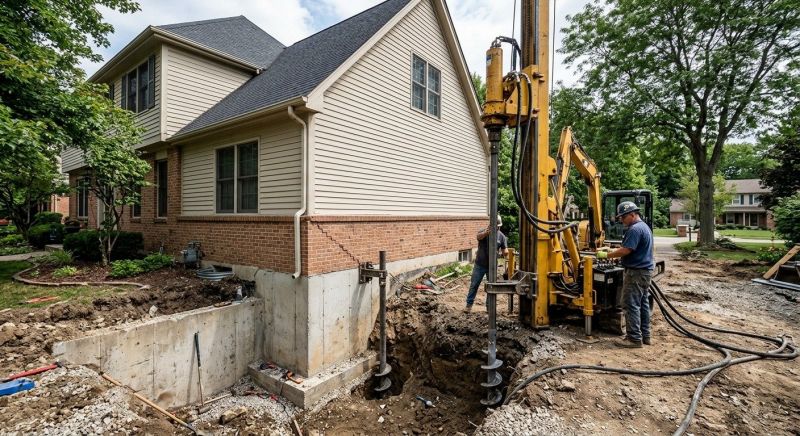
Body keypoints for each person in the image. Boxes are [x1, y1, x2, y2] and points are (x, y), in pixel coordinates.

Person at [597, 201, 654, 348]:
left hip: (636, 272)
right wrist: (613, 250)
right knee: (642, 304)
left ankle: (634, 339)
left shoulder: (634, 229)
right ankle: (645, 335)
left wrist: (606, 255)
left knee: (630, 304)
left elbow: (626, 250)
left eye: (623, 217)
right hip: (644, 271)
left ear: (633, 214)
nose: (621, 220)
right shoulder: (644, 227)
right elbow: (629, 247)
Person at [464, 215, 508, 313]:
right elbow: (478, 237)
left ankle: (489, 308)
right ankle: (468, 305)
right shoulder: (483, 231)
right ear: (491, 224)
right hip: (479, 264)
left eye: (498, 226)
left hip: (492, 267)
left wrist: (505, 252)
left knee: (491, 286)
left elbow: (505, 250)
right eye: (496, 226)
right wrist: (486, 233)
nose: (498, 227)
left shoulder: (501, 236)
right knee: (474, 285)